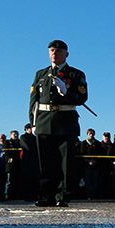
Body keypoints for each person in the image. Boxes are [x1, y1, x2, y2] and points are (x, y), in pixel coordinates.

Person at [28, 39, 87, 207]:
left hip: (66, 121)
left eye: (58, 51)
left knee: (65, 161)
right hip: (44, 121)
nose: (54, 53)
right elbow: (33, 101)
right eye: (52, 50)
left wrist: (67, 92)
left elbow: (82, 98)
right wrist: (32, 123)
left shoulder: (76, 74)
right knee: (45, 161)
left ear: (66, 54)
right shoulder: (40, 74)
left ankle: (62, 195)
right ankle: (45, 195)